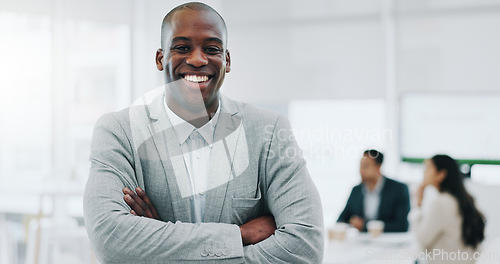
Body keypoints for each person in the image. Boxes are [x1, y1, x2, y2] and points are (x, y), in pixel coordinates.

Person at [83, 2, 324, 263]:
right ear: (160, 58)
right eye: (182, 47)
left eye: (211, 49)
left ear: (227, 60)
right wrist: (239, 235)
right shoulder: (119, 132)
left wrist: (158, 241)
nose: (198, 60)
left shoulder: (270, 130)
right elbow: (111, 240)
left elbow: (306, 247)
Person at [412, 155, 485, 264]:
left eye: (428, 168)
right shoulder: (464, 200)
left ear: (441, 175)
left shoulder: (441, 202)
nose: (424, 173)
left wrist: (418, 205)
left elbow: (422, 240)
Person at [337, 149, 410, 232]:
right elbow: (341, 220)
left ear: (378, 167)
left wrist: (365, 226)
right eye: (361, 166)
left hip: (388, 241)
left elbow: (402, 225)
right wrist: (352, 222)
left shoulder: (399, 189)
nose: (361, 170)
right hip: (361, 242)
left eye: (366, 166)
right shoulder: (356, 190)